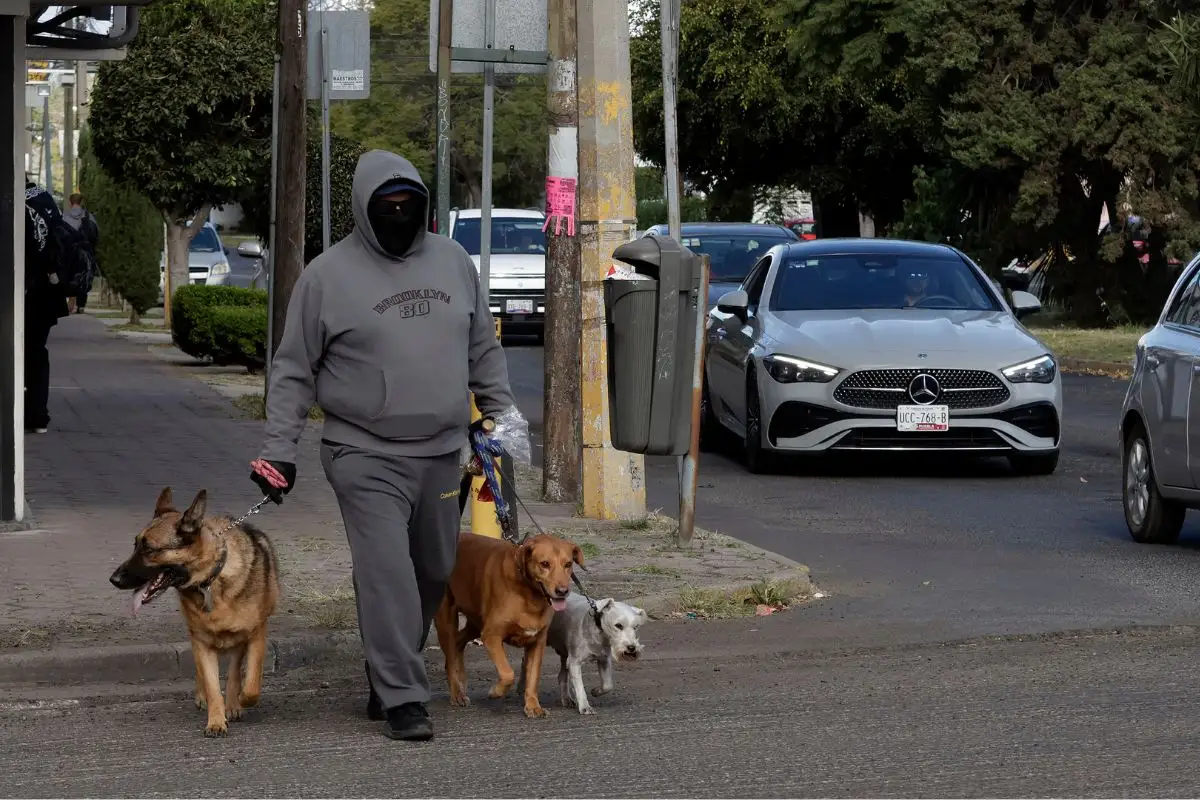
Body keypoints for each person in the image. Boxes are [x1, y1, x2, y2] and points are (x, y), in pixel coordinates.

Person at [249, 150, 518, 742]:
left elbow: (482, 348)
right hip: (362, 451)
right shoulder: (326, 276)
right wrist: (280, 450)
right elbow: (293, 368)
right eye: (386, 208)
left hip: (443, 451)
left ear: (424, 207)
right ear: (363, 211)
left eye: (409, 207)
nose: (399, 216)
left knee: (433, 567)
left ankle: (386, 662)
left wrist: (500, 415)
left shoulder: (452, 261)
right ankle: (402, 695)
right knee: (387, 571)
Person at [23, 181, 70, 434]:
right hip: (45, 291)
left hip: (22, 289)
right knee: (36, 352)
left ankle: (23, 410)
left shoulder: (14, 201)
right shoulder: (43, 198)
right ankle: (37, 414)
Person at [62, 193, 99, 313]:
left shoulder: (65, 217)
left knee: (71, 276)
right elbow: (96, 235)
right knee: (85, 276)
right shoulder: (89, 217)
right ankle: (81, 305)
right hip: (86, 252)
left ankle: (71, 300)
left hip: (70, 253)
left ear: (70, 203)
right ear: (81, 202)